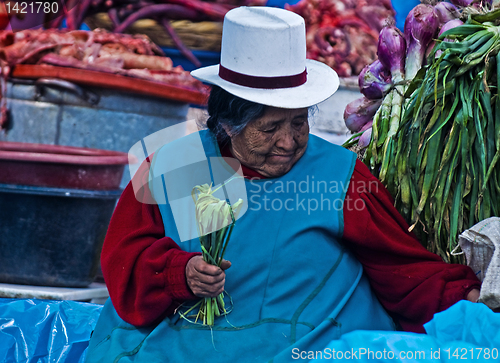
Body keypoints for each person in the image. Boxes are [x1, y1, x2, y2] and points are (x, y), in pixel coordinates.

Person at [85, 6, 481, 362]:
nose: (289, 142)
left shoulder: (337, 177)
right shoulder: (176, 167)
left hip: (312, 348)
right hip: (190, 347)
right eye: (270, 128)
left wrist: (468, 301)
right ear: (227, 124)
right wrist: (178, 273)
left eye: (298, 122)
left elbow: (401, 270)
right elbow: (126, 260)